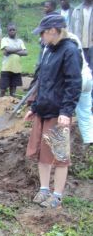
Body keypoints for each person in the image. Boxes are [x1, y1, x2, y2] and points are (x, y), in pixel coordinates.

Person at [23, 15, 82, 209]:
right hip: (44, 110)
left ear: (53, 31)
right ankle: (44, 189)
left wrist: (67, 111)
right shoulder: (48, 50)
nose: (41, 37)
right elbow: (43, 81)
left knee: (60, 155)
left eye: (43, 33)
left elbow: (73, 83)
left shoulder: (70, 51)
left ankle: (57, 195)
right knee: (43, 153)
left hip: (58, 112)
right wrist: (34, 107)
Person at [0, 24, 27, 97]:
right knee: (3, 89)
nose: (12, 31)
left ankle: (11, 105)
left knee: (13, 90)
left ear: (16, 31)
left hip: (16, 68)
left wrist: (11, 51)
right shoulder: (5, 40)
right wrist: (19, 49)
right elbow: (7, 49)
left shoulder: (20, 41)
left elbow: (25, 53)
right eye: (10, 30)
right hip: (6, 68)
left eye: (13, 30)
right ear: (7, 32)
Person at [70, 0, 93, 75]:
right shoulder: (76, 11)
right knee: (80, 70)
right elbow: (71, 30)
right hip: (80, 47)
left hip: (92, 46)